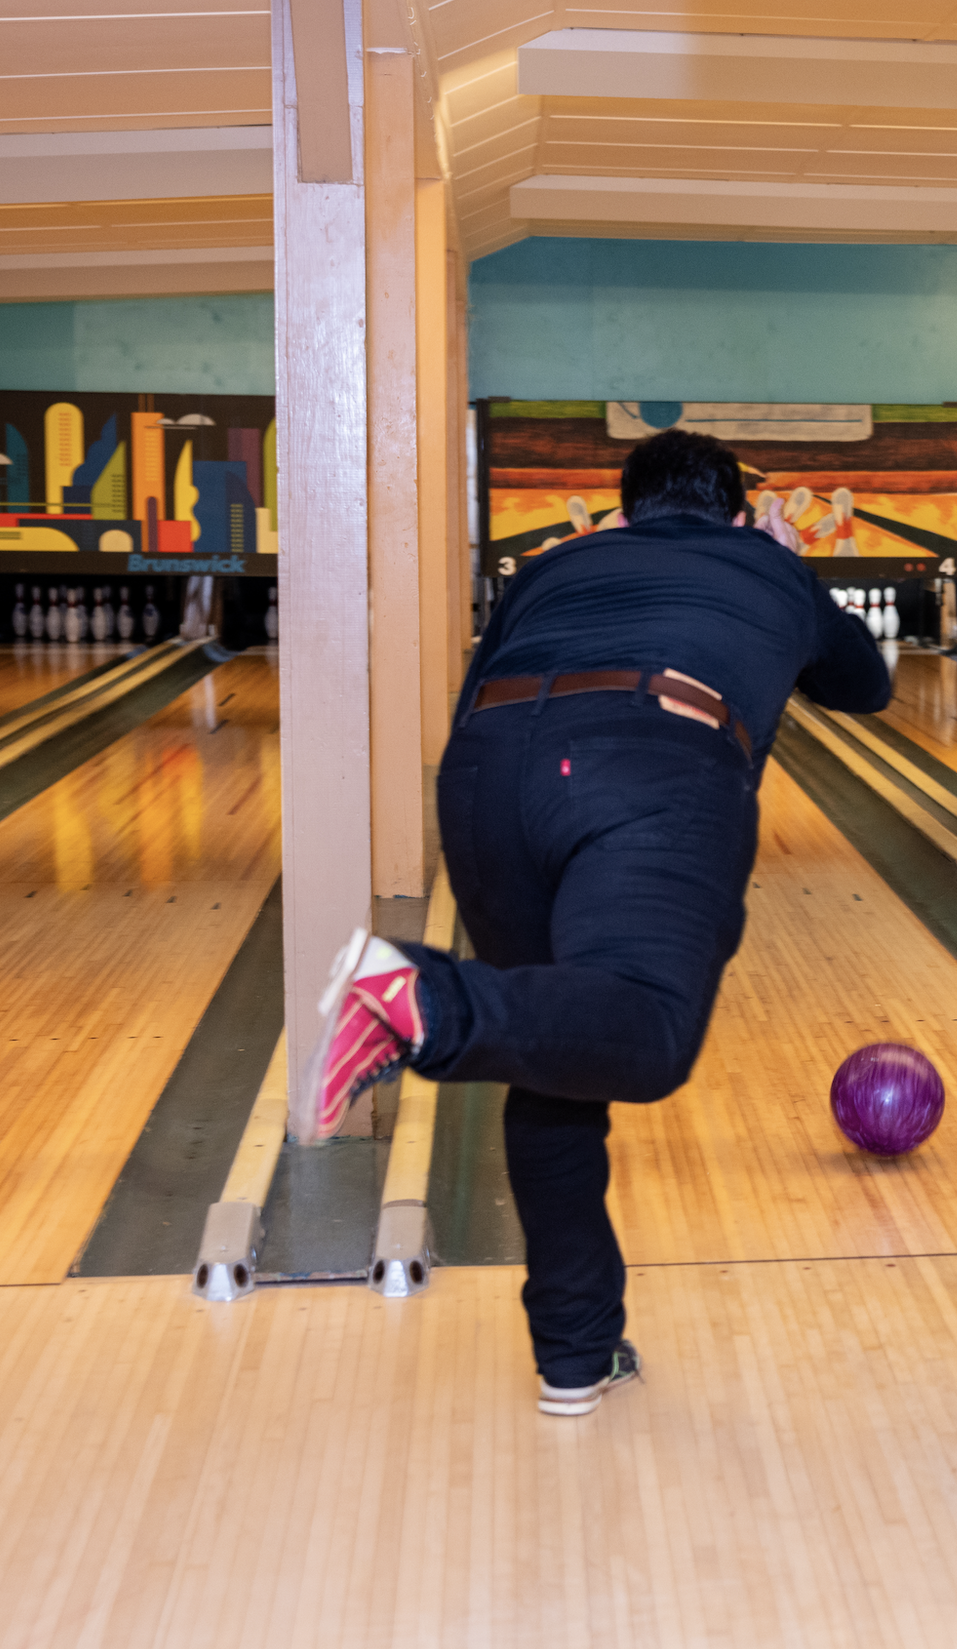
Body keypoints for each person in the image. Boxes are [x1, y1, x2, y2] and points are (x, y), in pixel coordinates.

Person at [293, 428, 891, 1416]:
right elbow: (866, 685)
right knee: (646, 1031)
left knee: (555, 1055)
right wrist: (794, 569)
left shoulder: (555, 563)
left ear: (623, 509)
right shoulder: (764, 563)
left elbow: (498, 672)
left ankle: (576, 1352)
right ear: (739, 509)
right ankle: (416, 996)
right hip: (648, 761)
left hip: (487, 772)